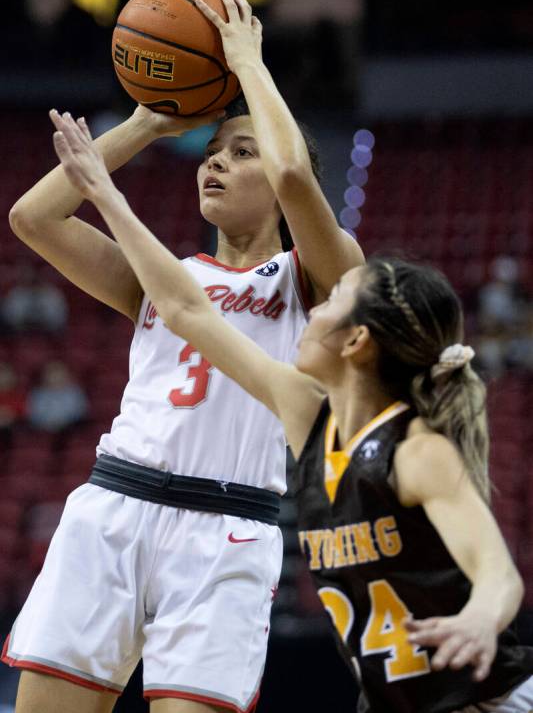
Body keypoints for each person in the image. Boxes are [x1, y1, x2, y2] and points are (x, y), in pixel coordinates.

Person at [47, 113, 533, 712]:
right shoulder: (303, 413)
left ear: (356, 340)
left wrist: (482, 619)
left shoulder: (414, 451)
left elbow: (501, 575)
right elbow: (188, 312)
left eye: (334, 308)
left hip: (481, 695)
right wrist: (137, 135)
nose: (314, 313)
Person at [2, 0, 364, 713]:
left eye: (241, 151)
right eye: (211, 150)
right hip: (114, 506)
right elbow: (33, 217)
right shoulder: (164, 277)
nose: (214, 162)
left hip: (227, 528)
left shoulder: (320, 278)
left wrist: (245, 60)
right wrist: (144, 123)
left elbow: (296, 173)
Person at [27, 360, 89, 433]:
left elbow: (80, 412)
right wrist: (49, 423)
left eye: (59, 374)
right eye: (52, 374)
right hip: (43, 430)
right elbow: (34, 415)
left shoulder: (75, 392)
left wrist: (63, 422)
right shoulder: (38, 394)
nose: (56, 377)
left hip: (70, 430)